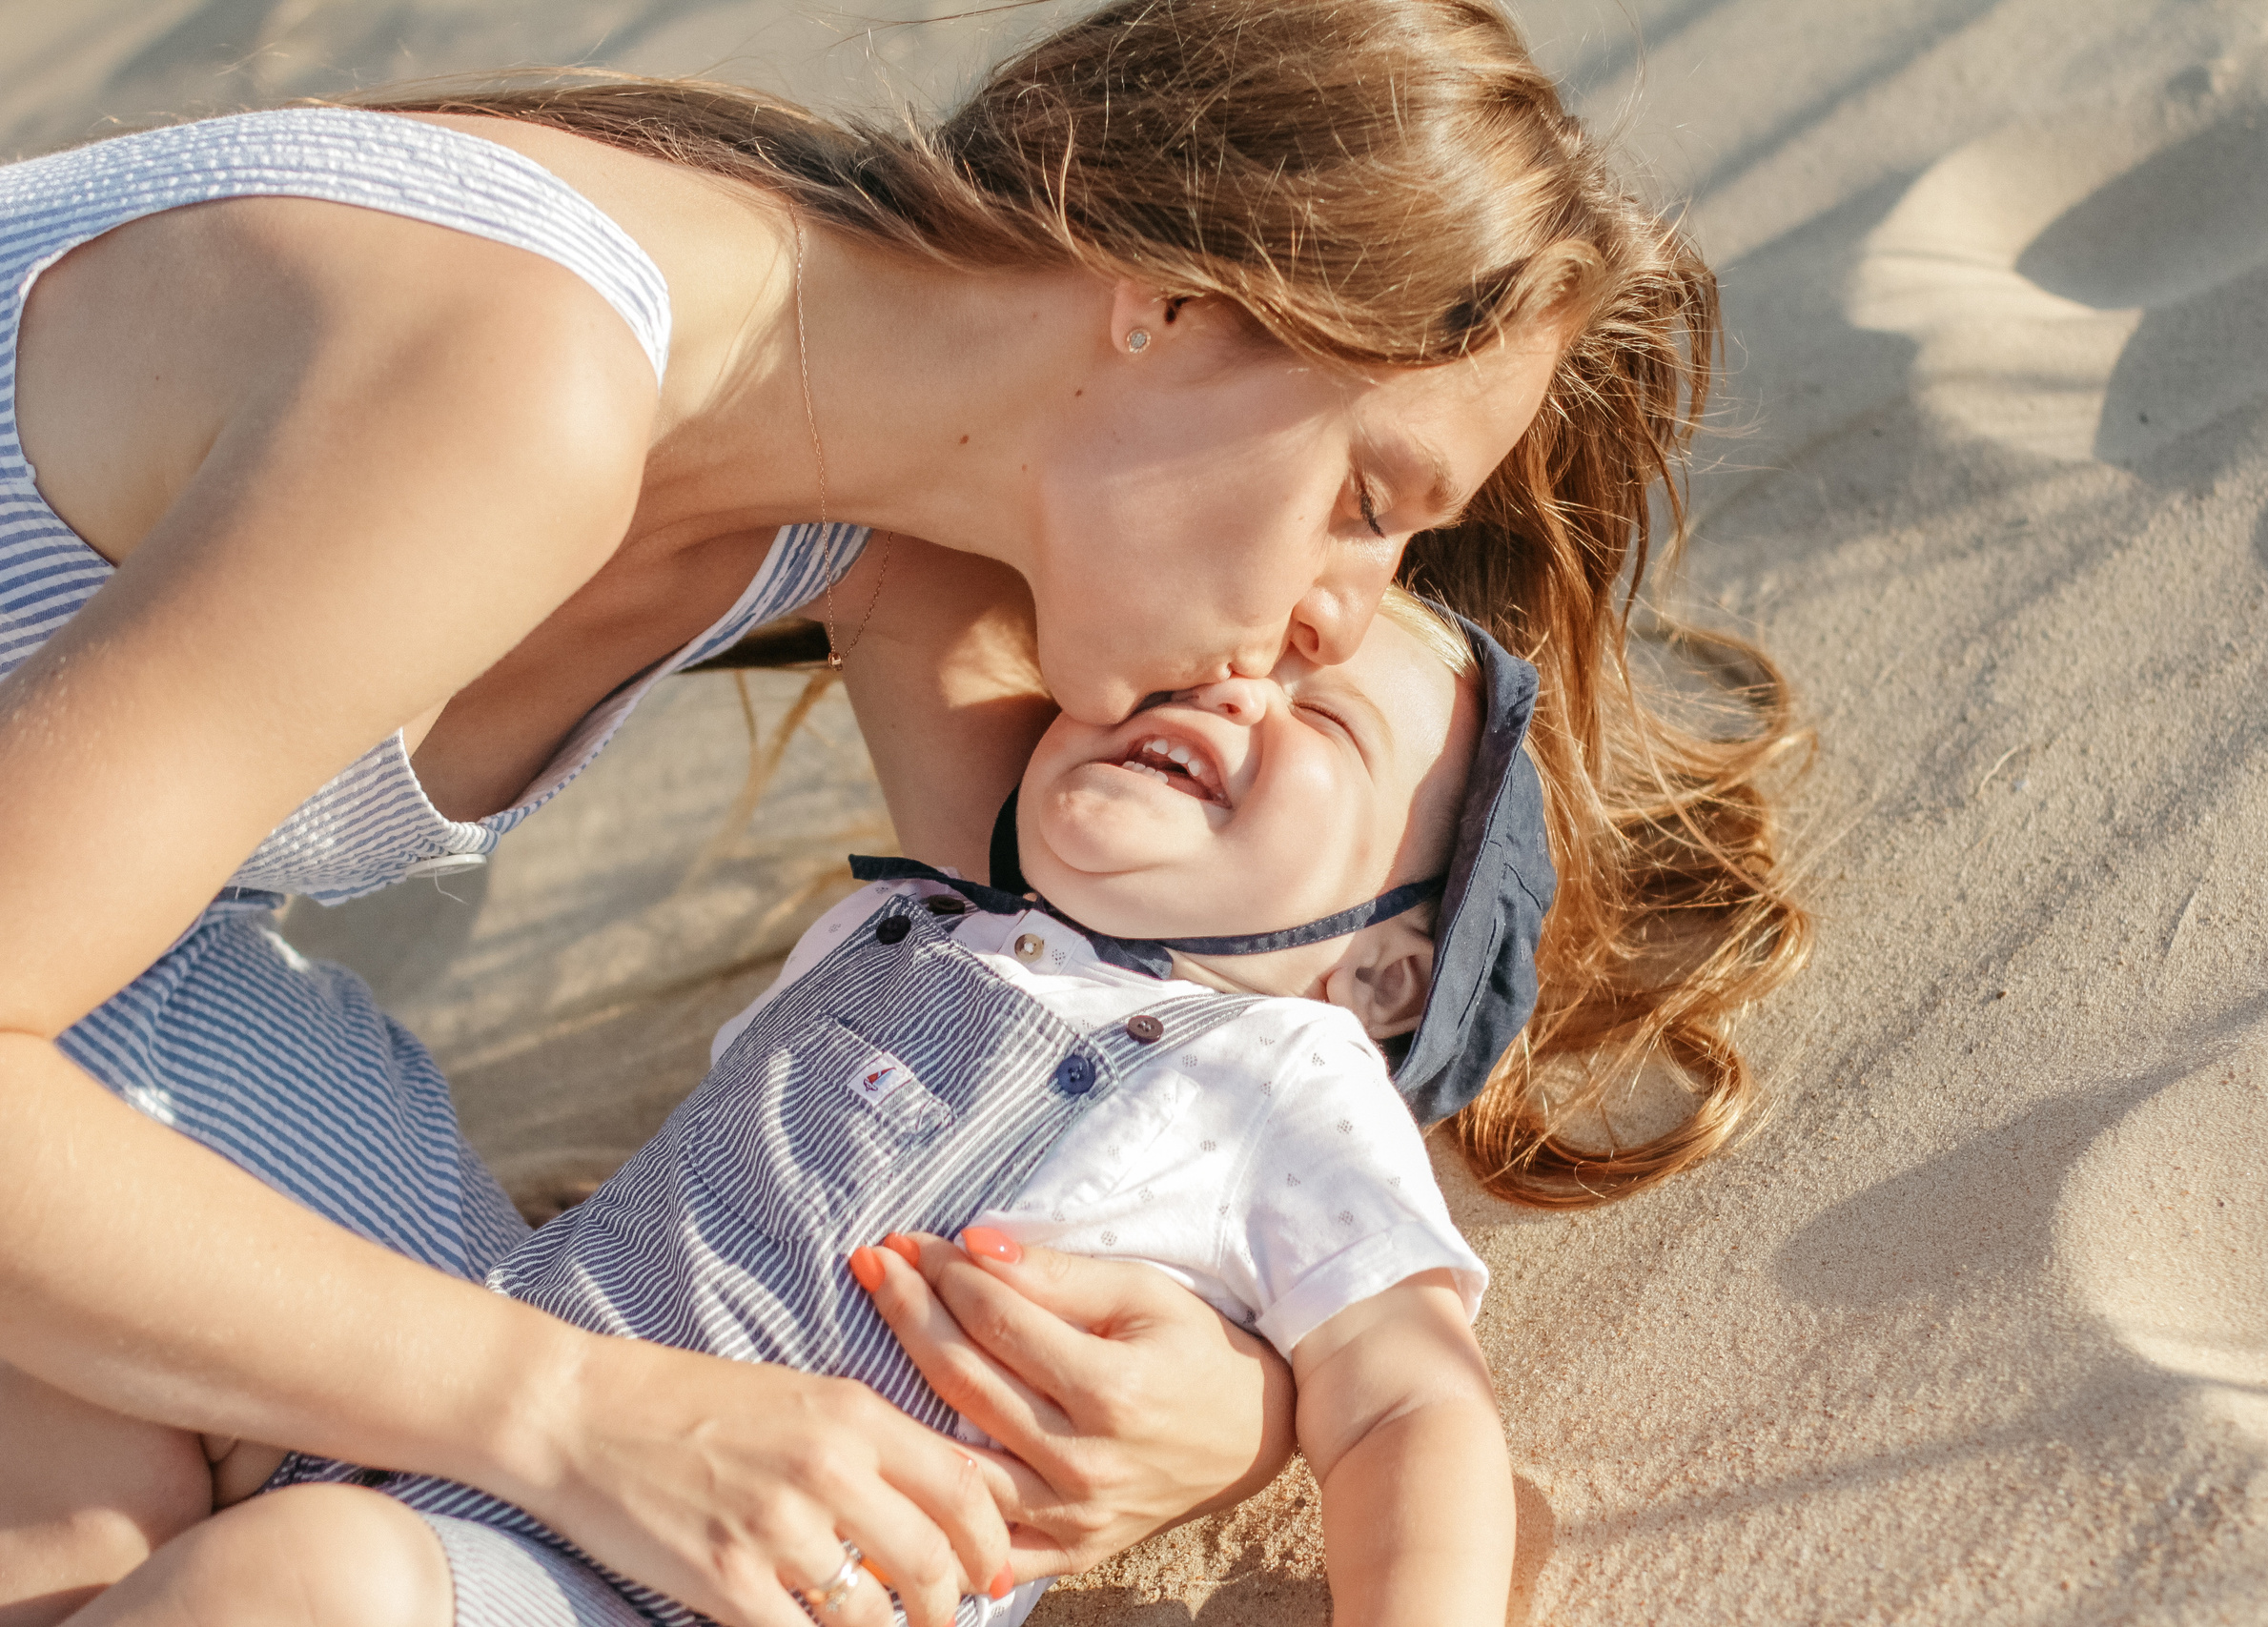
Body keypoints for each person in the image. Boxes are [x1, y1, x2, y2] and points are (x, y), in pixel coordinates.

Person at [0, 0, 1807, 1622]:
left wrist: (1235, 1405)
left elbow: (1066, 1004)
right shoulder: (527, 376)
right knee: (306, 1502)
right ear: (1169, 305)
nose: (1350, 604)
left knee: (250, 1482)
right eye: (1368, 494)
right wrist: (564, 1412)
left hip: (125, 996)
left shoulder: (870, 468)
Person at [37, 587, 1542, 1627]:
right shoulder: (898, 929)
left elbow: (1413, 1404)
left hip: (704, 1593)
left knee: (309, 1578)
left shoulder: (1289, 1073)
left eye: (1323, 722)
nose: (1234, 685)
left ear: (1384, 975)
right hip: (488, 1416)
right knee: (75, 1386)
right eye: (1203, 664)